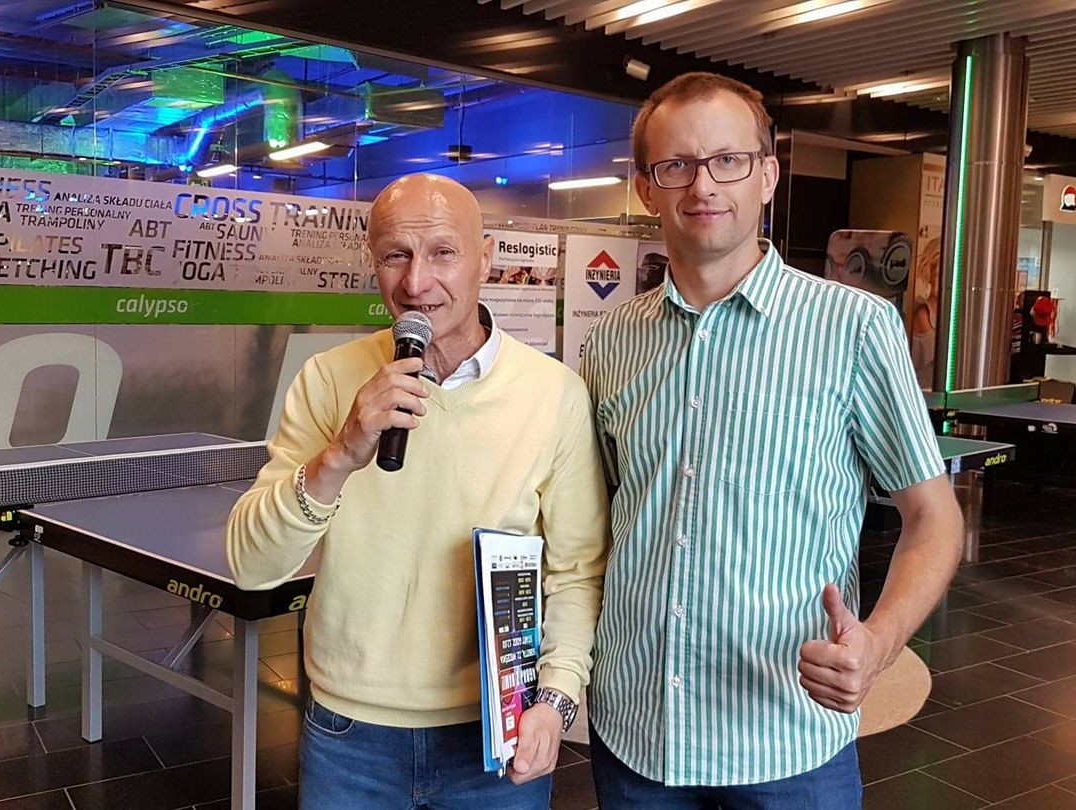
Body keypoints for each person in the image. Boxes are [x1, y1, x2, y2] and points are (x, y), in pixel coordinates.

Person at [579, 72, 964, 807]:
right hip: (636, 731)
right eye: (676, 165)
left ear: (767, 176)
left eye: (728, 160)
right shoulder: (612, 340)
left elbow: (933, 516)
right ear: (646, 188)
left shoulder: (853, 328)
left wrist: (879, 643)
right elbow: (596, 522)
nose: (703, 185)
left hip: (785, 737)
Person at [226, 174, 607, 809]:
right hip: (348, 735)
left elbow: (577, 572)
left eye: (443, 252)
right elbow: (251, 566)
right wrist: (341, 454)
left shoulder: (554, 394)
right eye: (395, 255)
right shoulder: (327, 381)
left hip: (495, 733)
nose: (416, 282)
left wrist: (557, 696)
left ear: (486, 258)